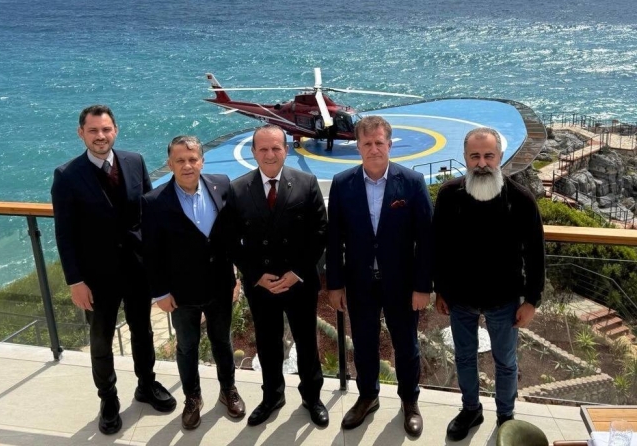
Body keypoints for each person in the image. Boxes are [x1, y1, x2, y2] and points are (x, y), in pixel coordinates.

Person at [51, 105, 175, 435]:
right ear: (81, 133)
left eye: (106, 129)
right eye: (93, 130)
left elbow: (148, 212)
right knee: (101, 340)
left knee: (143, 332)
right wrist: (75, 280)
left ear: (115, 130)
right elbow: (64, 233)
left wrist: (157, 262)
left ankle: (146, 385)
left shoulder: (134, 161)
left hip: (137, 269)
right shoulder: (66, 175)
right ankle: (108, 398)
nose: (100, 136)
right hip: (96, 277)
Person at [433, 127, 545, 441]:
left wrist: (532, 301)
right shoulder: (449, 196)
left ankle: (506, 417)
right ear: (465, 158)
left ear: (500, 157)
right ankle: (471, 409)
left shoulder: (521, 200)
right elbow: (439, 248)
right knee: (464, 357)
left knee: (506, 363)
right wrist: (440, 290)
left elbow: (535, 254)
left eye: (488, 156)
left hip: (505, 301)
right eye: (475, 156)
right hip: (460, 299)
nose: (482, 163)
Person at [326, 115, 433, 437]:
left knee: (406, 345)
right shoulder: (342, 183)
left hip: (402, 283)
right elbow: (334, 239)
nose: (374, 149)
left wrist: (423, 287)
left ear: (389, 144)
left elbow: (427, 240)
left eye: (379, 142)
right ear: (358, 146)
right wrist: (335, 285)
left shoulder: (412, 182)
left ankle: (410, 401)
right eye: (367, 143)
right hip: (359, 283)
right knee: (363, 344)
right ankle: (367, 396)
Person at [225, 124, 329, 427]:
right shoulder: (238, 188)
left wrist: (297, 272)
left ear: (286, 150)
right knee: (267, 343)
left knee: (306, 342)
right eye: (263, 149)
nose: (270, 154)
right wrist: (256, 275)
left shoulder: (306, 182)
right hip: (262, 285)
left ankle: (312, 397)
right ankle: (272, 396)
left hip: (299, 282)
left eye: (276, 148)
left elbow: (320, 233)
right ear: (253, 152)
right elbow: (230, 240)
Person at [141, 135, 246, 430]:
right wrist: (160, 292)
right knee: (187, 347)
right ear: (169, 164)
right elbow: (151, 252)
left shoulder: (222, 185)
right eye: (180, 160)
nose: (187, 166)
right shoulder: (153, 202)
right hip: (181, 292)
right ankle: (192, 398)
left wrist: (236, 276)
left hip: (219, 286)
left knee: (222, 341)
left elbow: (231, 236)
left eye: (192, 159)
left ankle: (228, 390)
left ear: (202, 161)